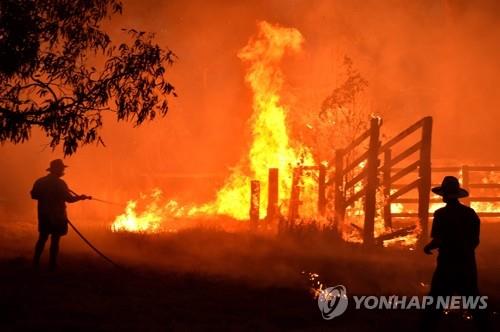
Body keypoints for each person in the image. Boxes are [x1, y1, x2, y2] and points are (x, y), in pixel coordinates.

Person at [421, 176, 488, 331]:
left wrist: (428, 248)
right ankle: (485, 327)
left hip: (447, 264)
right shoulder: (470, 213)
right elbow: (475, 240)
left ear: (444, 194)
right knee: (473, 298)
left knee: (436, 300)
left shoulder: (441, 214)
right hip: (467, 262)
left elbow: (438, 239)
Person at [31, 159, 91, 271]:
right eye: (62, 168)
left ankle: (35, 263)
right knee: (55, 240)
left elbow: (33, 195)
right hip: (58, 216)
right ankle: (52, 265)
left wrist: (46, 196)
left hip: (44, 215)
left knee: (42, 238)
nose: (63, 170)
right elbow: (69, 199)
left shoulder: (40, 181)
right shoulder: (60, 184)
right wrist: (80, 197)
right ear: (57, 169)